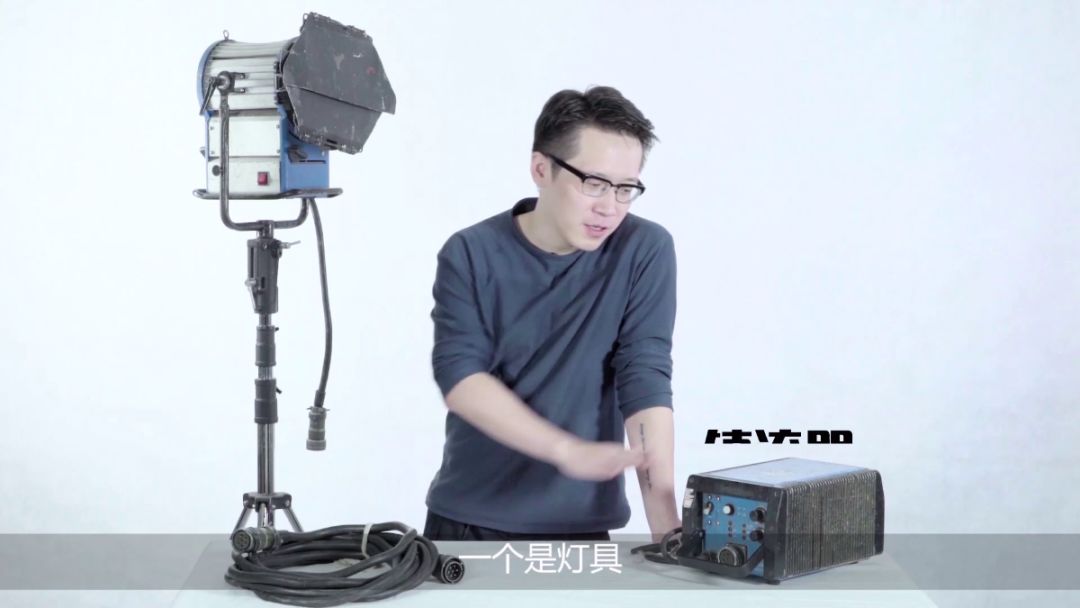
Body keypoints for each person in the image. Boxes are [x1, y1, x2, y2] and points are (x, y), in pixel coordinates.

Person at [423, 85, 679, 542]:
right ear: (541, 169)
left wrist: (667, 527)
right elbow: (461, 379)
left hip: (584, 526)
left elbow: (645, 374)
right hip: (471, 521)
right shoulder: (471, 252)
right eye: (594, 183)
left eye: (625, 189)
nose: (609, 207)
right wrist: (565, 450)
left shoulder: (643, 249)